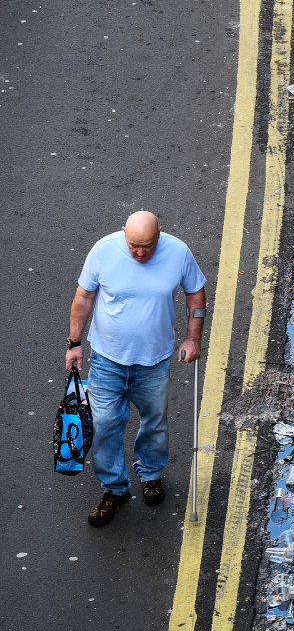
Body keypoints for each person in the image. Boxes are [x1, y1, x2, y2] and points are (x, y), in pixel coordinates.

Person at [65, 211, 206, 526]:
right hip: (107, 361)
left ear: (160, 235)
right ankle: (114, 488)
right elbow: (84, 297)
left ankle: (151, 472)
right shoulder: (103, 251)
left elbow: (195, 292)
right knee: (103, 426)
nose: (140, 252)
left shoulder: (178, 252)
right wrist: (74, 344)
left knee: (154, 423)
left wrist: (192, 338)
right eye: (133, 246)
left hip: (154, 361)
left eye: (147, 245)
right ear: (123, 235)